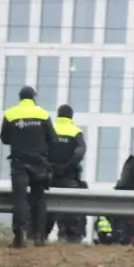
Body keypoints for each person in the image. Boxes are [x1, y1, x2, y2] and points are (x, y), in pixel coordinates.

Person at [0, 86, 58, 248]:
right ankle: (39, 237)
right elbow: (53, 138)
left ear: (20, 98)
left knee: (20, 199)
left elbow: (4, 138)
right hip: (39, 164)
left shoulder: (11, 114)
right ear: (33, 98)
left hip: (19, 163)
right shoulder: (43, 114)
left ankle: (19, 237)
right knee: (38, 199)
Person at [46, 104, 87, 243]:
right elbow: (79, 153)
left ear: (58, 115)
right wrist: (66, 168)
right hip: (68, 178)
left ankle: (40, 237)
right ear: (71, 116)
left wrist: (51, 167)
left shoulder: (50, 130)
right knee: (70, 209)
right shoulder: (76, 132)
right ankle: (69, 239)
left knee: (45, 208)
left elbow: (41, 150)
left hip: (48, 177)